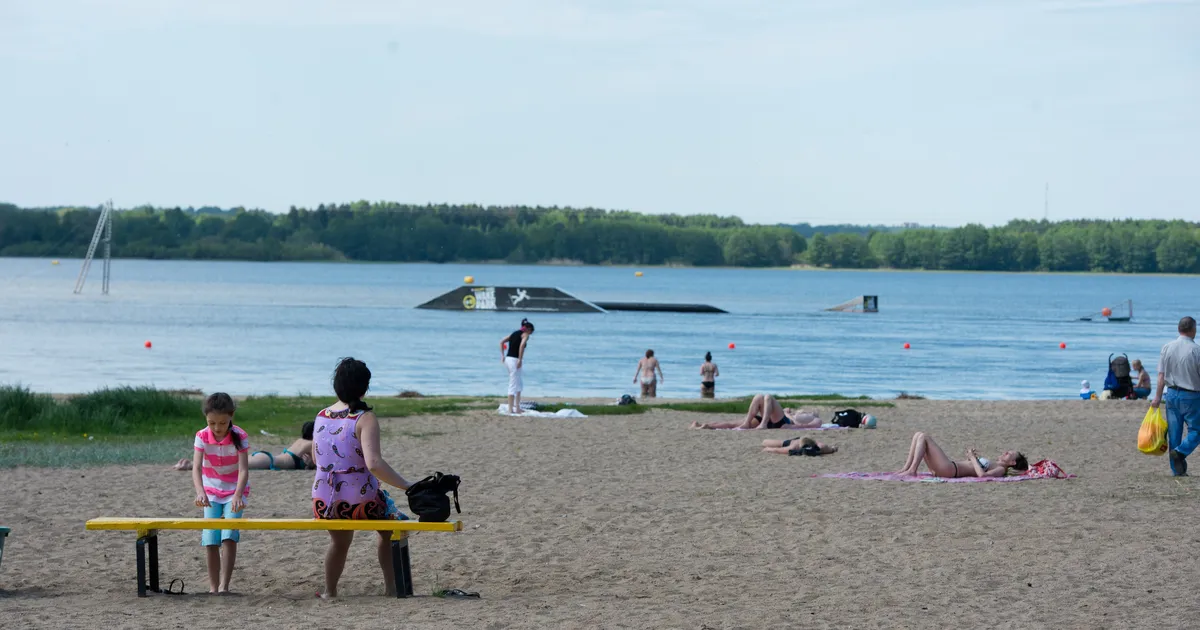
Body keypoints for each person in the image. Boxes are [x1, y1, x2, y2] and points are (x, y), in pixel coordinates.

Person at [313, 357, 413, 598]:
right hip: (359, 500)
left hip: (324, 500)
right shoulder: (364, 418)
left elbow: (317, 459)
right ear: (364, 387)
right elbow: (374, 464)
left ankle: (329, 591)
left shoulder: (321, 415)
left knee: (339, 542)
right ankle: (391, 588)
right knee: (392, 526)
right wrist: (407, 485)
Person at [191, 392, 250, 594]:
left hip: (235, 490)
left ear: (231, 416)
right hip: (211, 491)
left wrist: (238, 495)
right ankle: (213, 587)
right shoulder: (201, 436)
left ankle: (225, 586)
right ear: (206, 419)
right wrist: (200, 492)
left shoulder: (240, 436)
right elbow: (196, 467)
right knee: (210, 538)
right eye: (212, 423)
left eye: (223, 423)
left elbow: (243, 470)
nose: (217, 428)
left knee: (229, 536)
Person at [1151, 316, 1200, 476]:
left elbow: (1161, 375)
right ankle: (1180, 452)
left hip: (1171, 393)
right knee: (1196, 430)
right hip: (1191, 395)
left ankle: (1177, 470)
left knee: (1174, 433)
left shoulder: (1167, 347)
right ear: (1193, 330)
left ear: (1179, 329)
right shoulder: (1196, 350)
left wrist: (1157, 397)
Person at [172, 421, 315, 471]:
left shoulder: (300, 441)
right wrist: (310, 465)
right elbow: (320, 463)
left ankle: (195, 463)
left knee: (233, 462)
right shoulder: (311, 444)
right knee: (234, 465)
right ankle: (191, 465)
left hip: (266, 457)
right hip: (269, 461)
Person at [894, 431, 1028, 478]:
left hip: (950, 469)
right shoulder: (995, 464)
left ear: (1012, 462)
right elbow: (975, 468)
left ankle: (912, 470)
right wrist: (971, 458)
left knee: (924, 437)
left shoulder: (1001, 469)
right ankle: (906, 468)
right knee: (918, 435)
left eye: (1009, 454)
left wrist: (973, 458)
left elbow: (982, 475)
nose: (1005, 452)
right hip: (947, 468)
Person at [689, 394, 822, 430]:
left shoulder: (813, 417)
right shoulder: (790, 411)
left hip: (782, 422)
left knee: (768, 396)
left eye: (806, 412)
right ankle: (706, 425)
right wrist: (787, 411)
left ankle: (763, 424)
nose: (803, 411)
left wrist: (793, 425)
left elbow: (816, 424)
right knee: (759, 397)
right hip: (772, 418)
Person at [501, 318, 534, 414]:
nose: (531, 334)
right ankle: (510, 409)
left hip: (508, 359)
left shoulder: (514, 333)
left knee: (519, 383)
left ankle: (517, 407)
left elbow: (501, 341)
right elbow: (522, 346)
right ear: (528, 329)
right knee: (513, 383)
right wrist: (520, 359)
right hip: (514, 360)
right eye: (531, 331)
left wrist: (502, 355)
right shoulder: (525, 335)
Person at [761, 436, 838, 456]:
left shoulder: (821, 447)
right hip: (794, 442)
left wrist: (768, 449)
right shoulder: (794, 446)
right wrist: (768, 449)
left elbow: (776, 450)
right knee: (764, 442)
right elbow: (832, 449)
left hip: (801, 441)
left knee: (765, 442)